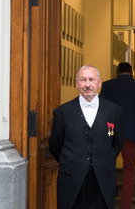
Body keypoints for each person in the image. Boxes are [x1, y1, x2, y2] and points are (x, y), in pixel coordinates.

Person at [49, 65, 123, 209]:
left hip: (102, 178)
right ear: (77, 83)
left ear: (99, 83)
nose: (87, 84)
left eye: (91, 79)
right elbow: (55, 145)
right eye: (83, 80)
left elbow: (117, 143)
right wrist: (72, 161)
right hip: (72, 179)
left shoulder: (114, 111)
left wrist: (103, 159)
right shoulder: (62, 112)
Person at [100, 62, 135, 209]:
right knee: (129, 170)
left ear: (117, 73)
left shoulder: (108, 86)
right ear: (132, 73)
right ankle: (125, 205)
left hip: (111, 133)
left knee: (108, 168)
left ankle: (107, 202)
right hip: (131, 133)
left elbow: (101, 111)